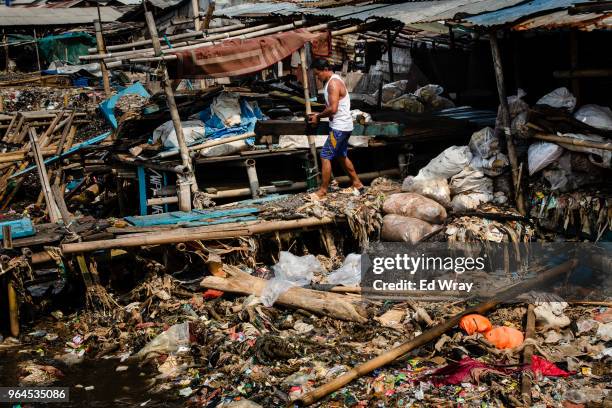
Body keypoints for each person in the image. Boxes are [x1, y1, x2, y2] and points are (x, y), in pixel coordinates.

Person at [307, 59, 363, 199]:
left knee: (325, 155)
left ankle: (323, 191)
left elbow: (333, 109)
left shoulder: (333, 83)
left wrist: (318, 116)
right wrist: (318, 115)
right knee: (341, 155)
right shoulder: (332, 82)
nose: (317, 77)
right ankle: (357, 184)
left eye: (318, 73)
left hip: (339, 128)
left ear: (325, 69)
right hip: (343, 127)